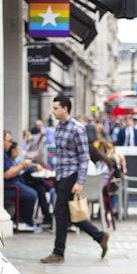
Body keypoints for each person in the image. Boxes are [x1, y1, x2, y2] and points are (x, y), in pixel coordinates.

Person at [40, 94, 110, 263]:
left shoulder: (77, 129)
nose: (53, 111)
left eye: (56, 108)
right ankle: (99, 236)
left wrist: (79, 181)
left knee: (59, 212)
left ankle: (59, 252)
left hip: (71, 176)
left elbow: (84, 157)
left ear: (65, 109)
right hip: (61, 174)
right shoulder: (58, 128)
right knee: (68, 215)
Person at [3, 135, 43, 233]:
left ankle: (26, 220)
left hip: (15, 184)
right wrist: (23, 165)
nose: (11, 143)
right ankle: (22, 221)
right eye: (9, 141)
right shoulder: (2, 155)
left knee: (39, 187)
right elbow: (7, 174)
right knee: (31, 194)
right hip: (9, 187)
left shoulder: (5, 154)